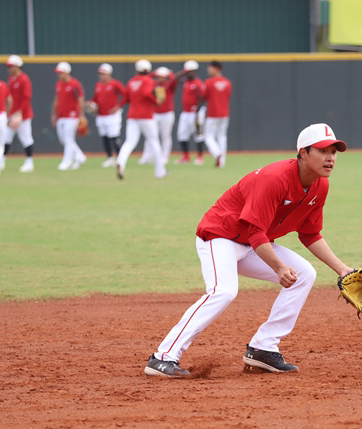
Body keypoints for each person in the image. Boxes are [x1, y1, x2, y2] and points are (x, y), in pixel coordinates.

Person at [144, 123, 351, 377]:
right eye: (322, 150)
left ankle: (263, 348)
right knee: (224, 291)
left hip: (254, 244)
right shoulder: (274, 178)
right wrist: (278, 266)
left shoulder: (320, 186)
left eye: (334, 151)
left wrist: (342, 270)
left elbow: (309, 233)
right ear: (303, 153)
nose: (330, 157)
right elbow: (255, 232)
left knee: (305, 274)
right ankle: (163, 356)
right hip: (221, 237)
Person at [116, 59, 167, 180]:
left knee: (129, 142)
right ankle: (160, 171)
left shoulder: (131, 81)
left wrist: (118, 106)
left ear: (137, 70)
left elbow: (126, 98)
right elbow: (146, 93)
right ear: (147, 70)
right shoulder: (148, 80)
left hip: (132, 116)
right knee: (154, 142)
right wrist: (156, 101)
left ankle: (120, 162)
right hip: (146, 116)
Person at [51, 62, 87, 170]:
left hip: (72, 116)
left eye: (61, 72)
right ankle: (80, 156)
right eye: (58, 73)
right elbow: (56, 100)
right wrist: (54, 114)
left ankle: (66, 162)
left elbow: (80, 99)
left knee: (68, 139)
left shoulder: (75, 84)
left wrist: (81, 115)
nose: (59, 75)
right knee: (64, 140)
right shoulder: (58, 84)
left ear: (67, 72)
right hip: (61, 115)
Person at [88, 63, 126, 168]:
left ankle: (120, 158)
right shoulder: (98, 85)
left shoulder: (115, 84)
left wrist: (118, 106)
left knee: (114, 137)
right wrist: (90, 104)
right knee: (104, 138)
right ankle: (110, 158)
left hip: (112, 116)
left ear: (109, 74)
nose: (101, 76)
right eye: (100, 74)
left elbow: (125, 95)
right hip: (101, 115)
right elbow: (95, 99)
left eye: (103, 73)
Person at [3, 55, 35, 173]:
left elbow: (27, 98)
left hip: (23, 115)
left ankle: (29, 162)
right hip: (12, 113)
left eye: (11, 66)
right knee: (6, 137)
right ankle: (0, 161)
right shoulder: (11, 78)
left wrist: (20, 112)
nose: (9, 68)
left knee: (26, 138)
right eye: (9, 66)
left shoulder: (24, 79)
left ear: (18, 66)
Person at [141, 66, 177, 165]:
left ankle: (165, 157)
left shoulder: (169, 85)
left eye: (161, 76)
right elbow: (146, 77)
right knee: (150, 136)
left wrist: (170, 74)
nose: (159, 78)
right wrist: (154, 73)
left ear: (165, 77)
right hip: (155, 113)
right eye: (158, 76)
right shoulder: (153, 84)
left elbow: (174, 81)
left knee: (165, 136)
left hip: (167, 114)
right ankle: (147, 157)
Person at [173, 60, 206, 165]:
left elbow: (202, 99)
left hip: (195, 113)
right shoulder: (185, 81)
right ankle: (186, 157)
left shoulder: (198, 83)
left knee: (198, 135)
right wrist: (183, 72)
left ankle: (200, 157)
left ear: (194, 71)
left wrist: (197, 113)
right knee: (182, 135)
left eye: (190, 71)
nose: (188, 73)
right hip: (185, 113)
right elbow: (174, 78)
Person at [202, 60, 232, 168]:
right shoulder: (227, 82)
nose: (208, 70)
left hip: (213, 114)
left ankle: (217, 153)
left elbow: (204, 97)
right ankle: (222, 162)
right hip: (224, 113)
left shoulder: (208, 82)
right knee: (222, 137)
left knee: (208, 136)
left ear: (216, 68)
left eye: (209, 67)